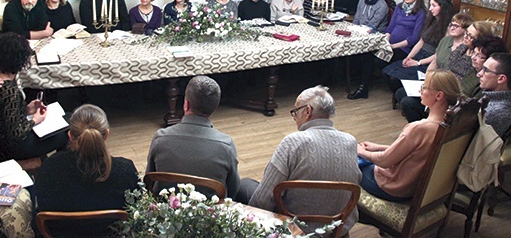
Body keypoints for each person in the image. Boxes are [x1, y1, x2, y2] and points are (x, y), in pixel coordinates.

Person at [245, 85, 361, 235]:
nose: (294, 118)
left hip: (294, 229)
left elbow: (262, 200)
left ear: (307, 111)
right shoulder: (350, 141)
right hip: (335, 228)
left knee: (245, 185)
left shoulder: (293, 142)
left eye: (295, 112)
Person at [35, 104, 138, 236]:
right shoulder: (125, 169)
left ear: (70, 135)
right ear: (106, 134)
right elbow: (136, 212)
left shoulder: (50, 166)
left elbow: (42, 206)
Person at [357, 69, 461, 201]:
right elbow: (415, 153)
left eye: (424, 87)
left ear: (439, 96)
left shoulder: (419, 128)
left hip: (394, 187)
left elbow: (384, 161)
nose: (420, 91)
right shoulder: (452, 125)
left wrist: (360, 151)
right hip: (414, 187)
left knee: (347, 162)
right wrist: (379, 147)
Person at [146, 76, 240, 198]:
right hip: (210, 214)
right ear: (214, 107)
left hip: (166, 212)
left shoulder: (160, 139)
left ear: (186, 104)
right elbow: (233, 190)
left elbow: (149, 181)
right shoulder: (226, 145)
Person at [0, 32, 68, 161]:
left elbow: (3, 115)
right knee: (69, 128)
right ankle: (58, 165)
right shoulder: (10, 91)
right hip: (12, 148)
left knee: (68, 118)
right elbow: (16, 134)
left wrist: (25, 109)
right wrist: (35, 119)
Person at [399, 21, 499, 122]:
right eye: (466, 32)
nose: (466, 36)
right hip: (443, 86)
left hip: (449, 96)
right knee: (401, 92)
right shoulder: (462, 48)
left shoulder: (477, 66)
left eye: (470, 36)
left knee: (408, 102)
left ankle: (429, 126)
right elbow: (446, 69)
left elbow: (462, 92)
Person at [348, 0, 427, 99]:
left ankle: (363, 87)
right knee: (367, 53)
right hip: (389, 43)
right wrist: (386, 40)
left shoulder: (420, 13)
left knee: (375, 60)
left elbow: (414, 38)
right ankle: (362, 87)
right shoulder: (400, 7)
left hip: (403, 48)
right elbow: (390, 27)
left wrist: (394, 46)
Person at [383, 0, 454, 91]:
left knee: (395, 77)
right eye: (430, 5)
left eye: (434, 5)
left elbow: (439, 54)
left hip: (429, 60)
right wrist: (409, 57)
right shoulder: (431, 21)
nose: (430, 9)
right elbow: (420, 42)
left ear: (443, 7)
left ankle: (406, 94)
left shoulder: (449, 28)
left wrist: (418, 63)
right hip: (419, 54)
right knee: (387, 72)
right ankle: (401, 93)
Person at [478, 53, 511, 141]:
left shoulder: (499, 112)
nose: (479, 74)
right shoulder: (489, 98)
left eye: (485, 70)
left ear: (501, 79)